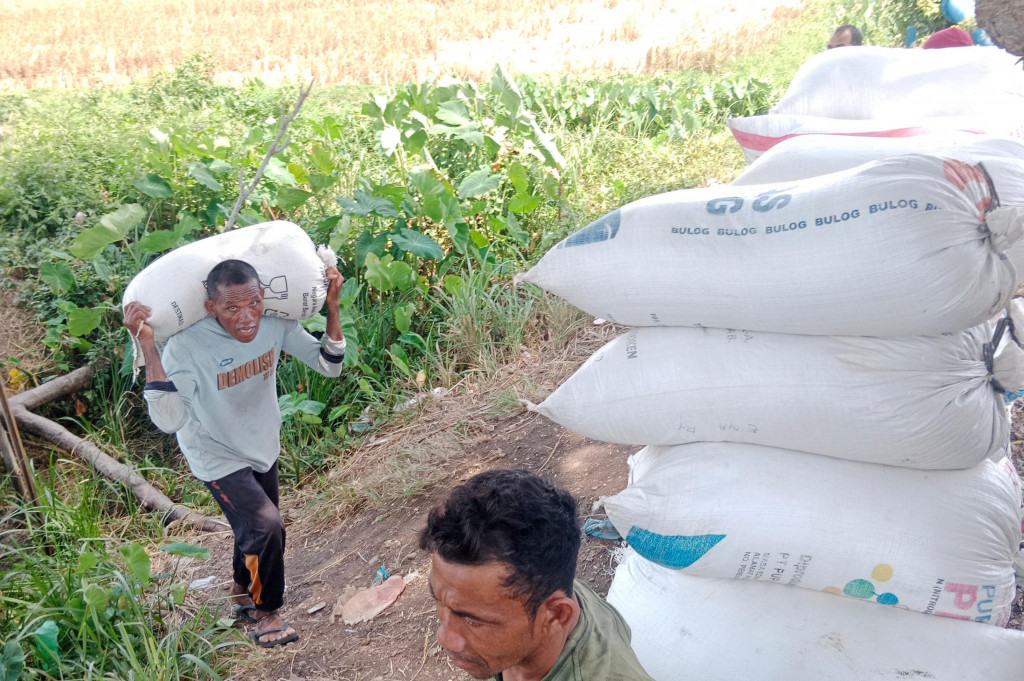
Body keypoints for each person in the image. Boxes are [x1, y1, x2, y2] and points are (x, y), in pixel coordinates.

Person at [123, 258, 346, 648]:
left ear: (263, 298)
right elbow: (169, 419)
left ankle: (242, 590)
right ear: (211, 308)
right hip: (215, 453)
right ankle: (267, 611)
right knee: (265, 526)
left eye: (254, 303)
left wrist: (332, 307)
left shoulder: (275, 324)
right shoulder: (187, 346)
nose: (247, 318)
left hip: (261, 442)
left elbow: (329, 366)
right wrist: (149, 348)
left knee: (253, 528)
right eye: (232, 308)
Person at [419, 469, 654, 681]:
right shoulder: (544, 583)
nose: (445, 638)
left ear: (557, 614)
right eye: (438, 601)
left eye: (472, 620)